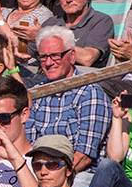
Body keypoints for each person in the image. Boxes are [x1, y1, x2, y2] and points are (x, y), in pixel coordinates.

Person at [24, 27, 110, 175]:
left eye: (55, 56)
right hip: (39, 172)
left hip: (78, 173)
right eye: (43, 57)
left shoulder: (90, 92)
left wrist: (56, 179)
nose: (49, 62)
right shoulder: (36, 93)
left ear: (71, 56)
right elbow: (28, 143)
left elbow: (84, 155)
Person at [50, 0, 113, 67]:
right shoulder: (51, 22)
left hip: (83, 79)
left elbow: (88, 58)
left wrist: (45, 39)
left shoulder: (101, 21)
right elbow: (25, 54)